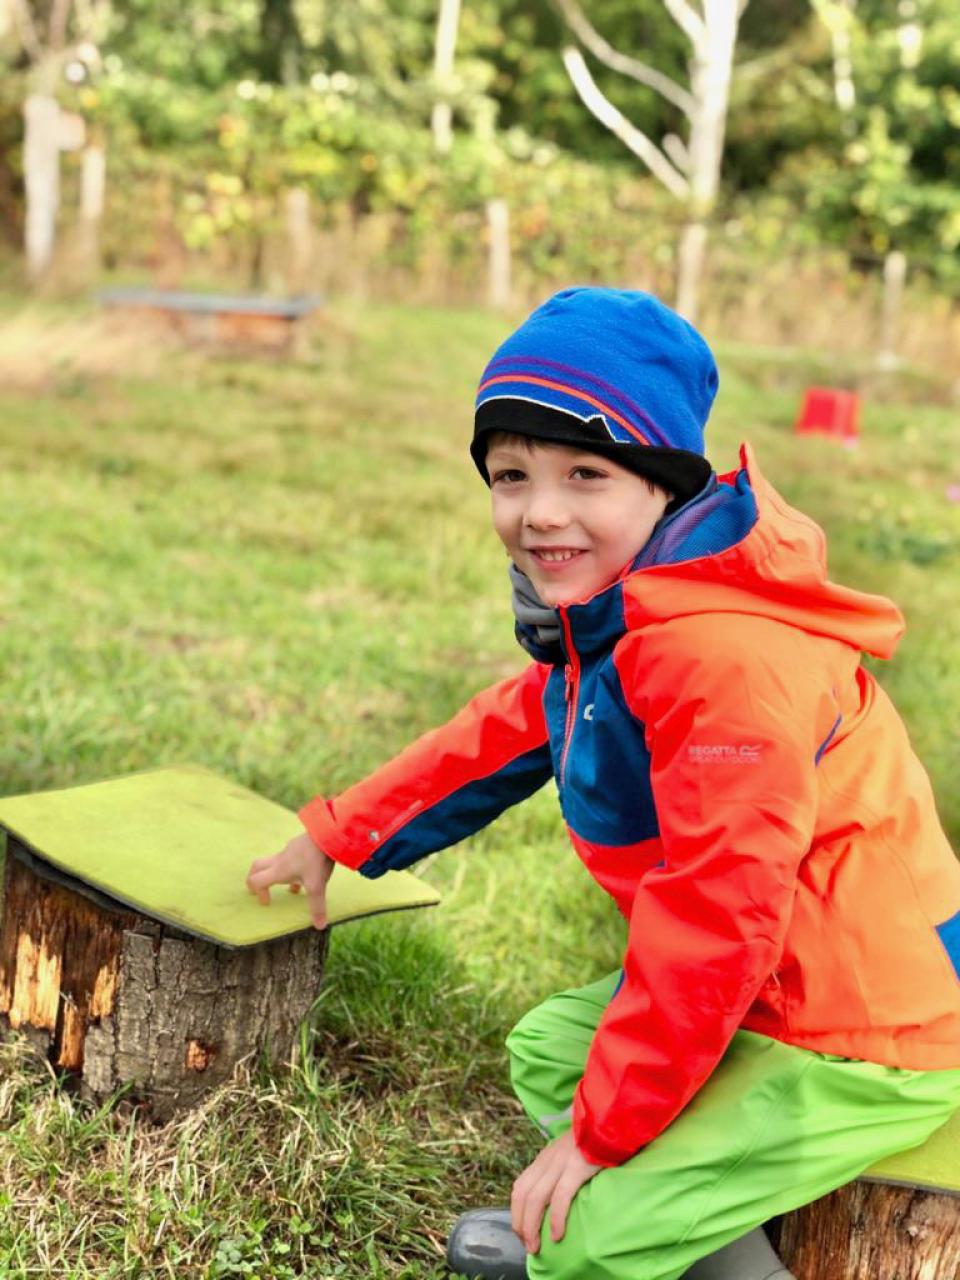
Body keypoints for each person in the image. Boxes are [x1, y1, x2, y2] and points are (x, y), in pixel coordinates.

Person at [245, 287, 960, 1280]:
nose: (541, 511)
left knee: (588, 1243)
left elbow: (717, 915)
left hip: (861, 1031)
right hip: (771, 992)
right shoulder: (626, 616)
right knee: (551, 1049)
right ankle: (683, 1223)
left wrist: (602, 1135)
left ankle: (638, 1230)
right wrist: (339, 833)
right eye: (511, 474)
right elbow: (496, 737)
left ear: (663, 485)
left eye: (586, 473)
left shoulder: (724, 659)